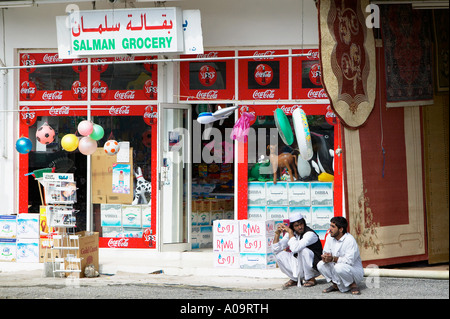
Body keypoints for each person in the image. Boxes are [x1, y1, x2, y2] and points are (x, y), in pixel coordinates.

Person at [272, 212, 323, 288]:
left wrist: (290, 232)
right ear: (293, 227)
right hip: (299, 264)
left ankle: (310, 278)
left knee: (303, 250)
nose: (300, 227)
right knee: (279, 255)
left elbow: (295, 248)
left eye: (301, 224)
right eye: (296, 225)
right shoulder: (293, 233)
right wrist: (277, 233)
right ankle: (294, 279)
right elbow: (275, 249)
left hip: (314, 265)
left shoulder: (309, 234)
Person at [317, 216, 364, 295]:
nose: (330, 229)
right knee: (320, 264)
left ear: (341, 229)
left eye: (333, 227)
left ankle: (353, 285)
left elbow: (349, 261)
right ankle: (336, 285)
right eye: (330, 226)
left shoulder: (350, 240)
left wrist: (333, 259)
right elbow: (326, 251)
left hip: (353, 271)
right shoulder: (329, 237)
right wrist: (326, 257)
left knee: (339, 267)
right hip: (337, 268)